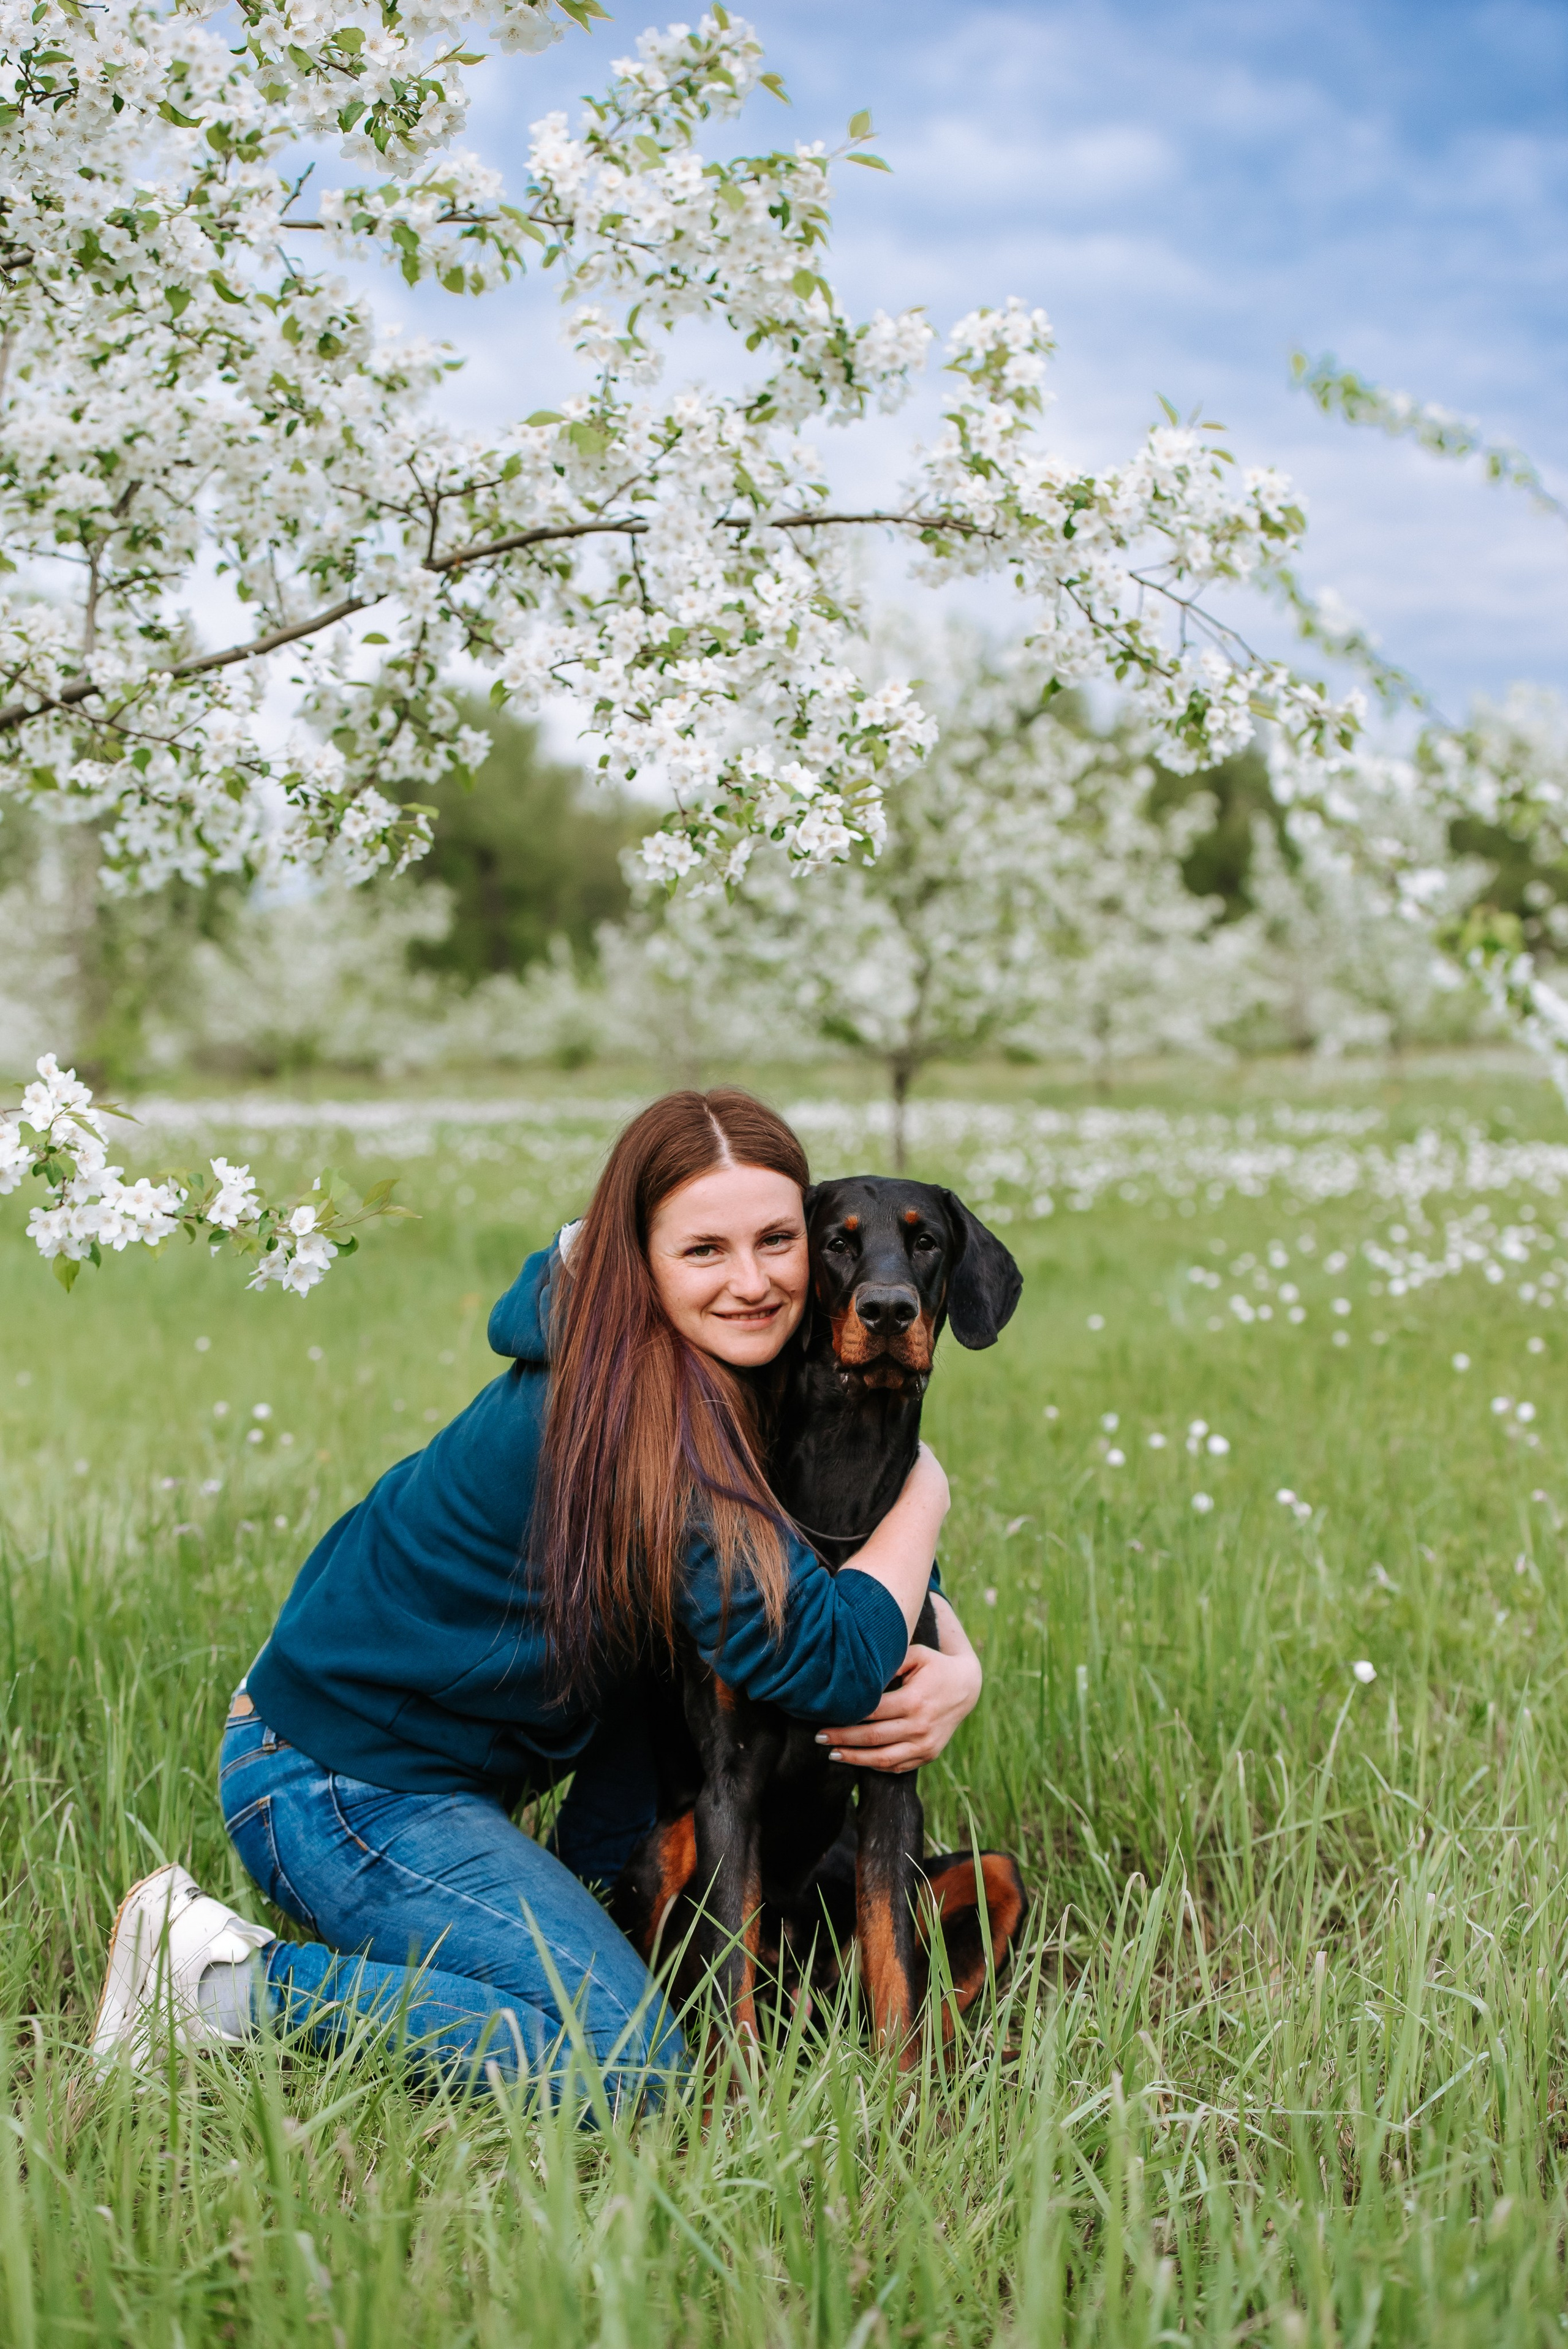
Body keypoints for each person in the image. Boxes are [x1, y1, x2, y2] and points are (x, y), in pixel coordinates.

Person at [91, 1090, 984, 2107]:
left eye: (776, 1239)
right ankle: (221, 1986)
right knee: (631, 2067)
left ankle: (522, 1925)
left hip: (463, 1770)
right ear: (633, 1255)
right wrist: (930, 1490)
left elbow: (819, 1532)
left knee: (632, 1988)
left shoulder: (723, 1358)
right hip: (339, 1782)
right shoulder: (639, 1415)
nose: (750, 1282)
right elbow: (824, 1661)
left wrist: (953, 1657)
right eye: (702, 1251)